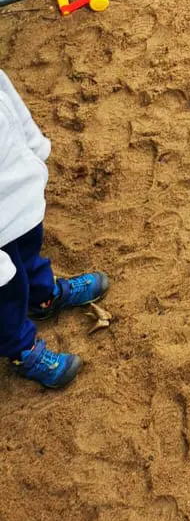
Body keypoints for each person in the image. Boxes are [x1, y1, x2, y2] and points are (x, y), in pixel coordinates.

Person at [1, 68, 108, 389]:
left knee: (30, 253)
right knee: (5, 293)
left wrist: (33, 149)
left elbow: (9, 101)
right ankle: (22, 349)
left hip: (18, 193)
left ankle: (43, 297)